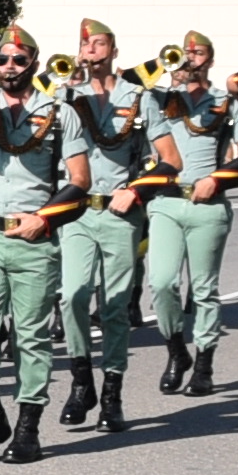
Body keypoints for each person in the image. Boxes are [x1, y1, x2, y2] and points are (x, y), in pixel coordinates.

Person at [0, 28, 88, 465]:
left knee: (31, 337)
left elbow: (80, 182)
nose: (10, 67)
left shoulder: (60, 114)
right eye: (3, 60)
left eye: (19, 60)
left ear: (34, 65)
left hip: (34, 237)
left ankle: (28, 428)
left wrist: (43, 219)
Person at [55, 26, 147, 434]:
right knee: (72, 295)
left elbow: (162, 158)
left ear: (114, 50)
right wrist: (66, 84)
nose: (90, 50)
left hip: (119, 211)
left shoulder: (138, 98)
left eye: (98, 44)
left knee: (114, 307)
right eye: (84, 45)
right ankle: (81, 381)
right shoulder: (65, 97)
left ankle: (112, 394)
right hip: (78, 210)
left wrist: (136, 190)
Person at [140, 34, 238, 400]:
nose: (190, 58)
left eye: (197, 53)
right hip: (166, 202)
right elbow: (129, 83)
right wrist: (163, 65)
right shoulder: (159, 99)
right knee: (162, 283)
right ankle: (176, 350)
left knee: (204, 289)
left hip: (207, 204)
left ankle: (204, 364)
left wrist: (218, 180)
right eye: (185, 53)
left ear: (210, 60)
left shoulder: (225, 103)